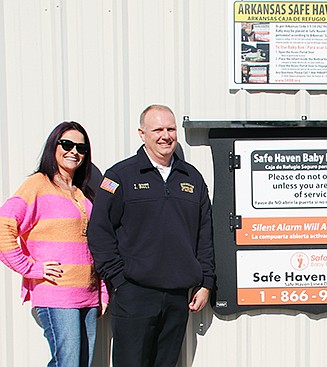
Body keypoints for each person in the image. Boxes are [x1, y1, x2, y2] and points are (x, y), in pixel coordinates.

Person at [87, 104, 215, 367]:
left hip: (179, 296)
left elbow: (205, 234)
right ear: (142, 133)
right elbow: (99, 230)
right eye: (157, 129)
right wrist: (119, 279)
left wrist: (206, 283)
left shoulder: (192, 178)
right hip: (134, 293)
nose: (165, 135)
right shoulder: (119, 176)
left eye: (170, 129)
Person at [0, 121, 109, 367]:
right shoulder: (38, 184)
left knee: (81, 364)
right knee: (67, 364)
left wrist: (101, 291)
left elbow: (94, 244)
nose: (74, 152)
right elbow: (4, 224)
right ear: (54, 146)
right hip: (57, 294)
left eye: (81, 148)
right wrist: (31, 268)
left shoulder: (84, 193)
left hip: (88, 295)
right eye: (67, 144)